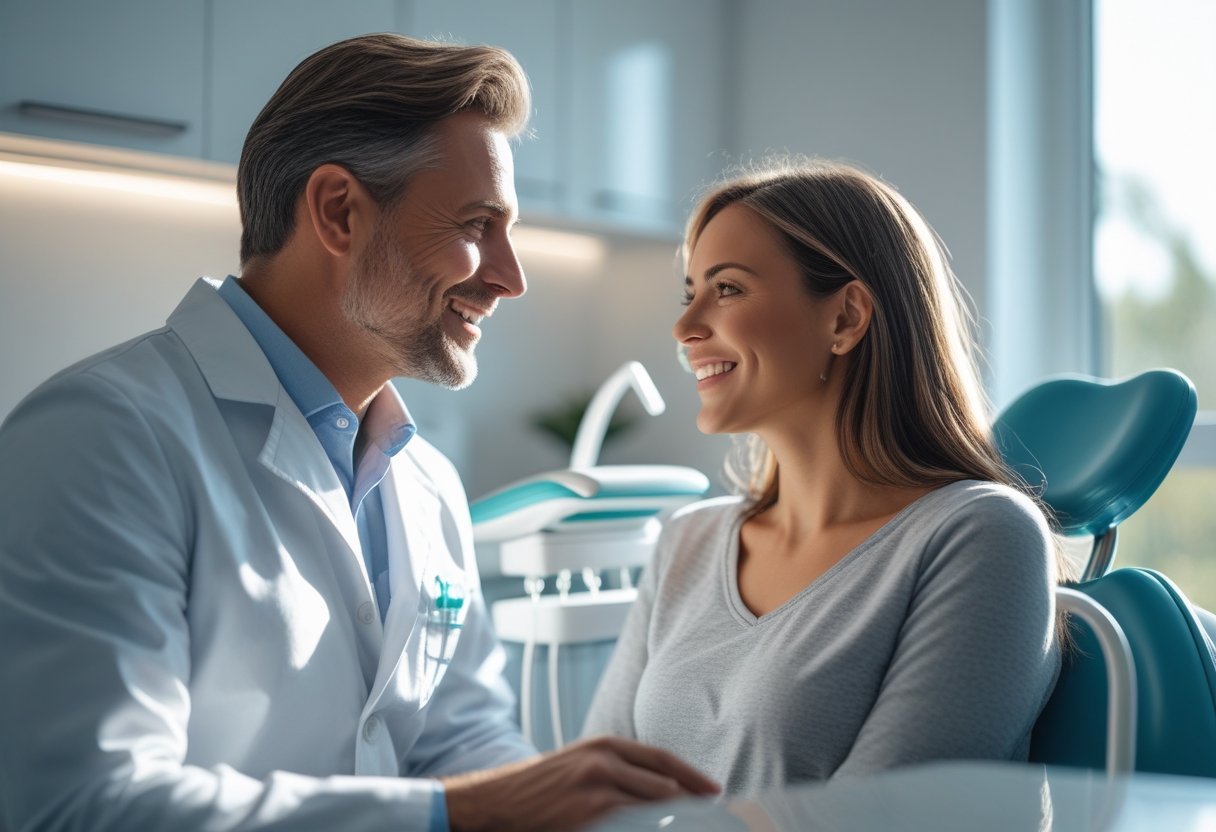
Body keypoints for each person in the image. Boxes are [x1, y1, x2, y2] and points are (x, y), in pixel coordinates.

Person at [0, 33, 716, 832]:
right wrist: (459, 814)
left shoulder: (425, 483)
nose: (511, 277)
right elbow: (81, 805)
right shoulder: (102, 438)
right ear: (339, 211)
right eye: (479, 224)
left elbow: (462, 739)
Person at [582, 159, 1065, 795]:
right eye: (689, 292)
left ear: (844, 318)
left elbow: (883, 816)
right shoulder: (688, 540)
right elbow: (591, 793)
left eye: (727, 289)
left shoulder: (980, 535)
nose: (685, 327)